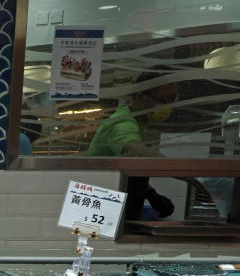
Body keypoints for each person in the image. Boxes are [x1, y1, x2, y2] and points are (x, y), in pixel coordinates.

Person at [87, 69, 207, 220]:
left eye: (172, 100)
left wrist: (150, 194)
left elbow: (128, 165)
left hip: (111, 204)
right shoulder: (122, 123)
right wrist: (194, 179)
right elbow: (142, 154)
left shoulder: (138, 122)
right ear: (141, 97)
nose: (167, 106)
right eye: (163, 101)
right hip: (99, 206)